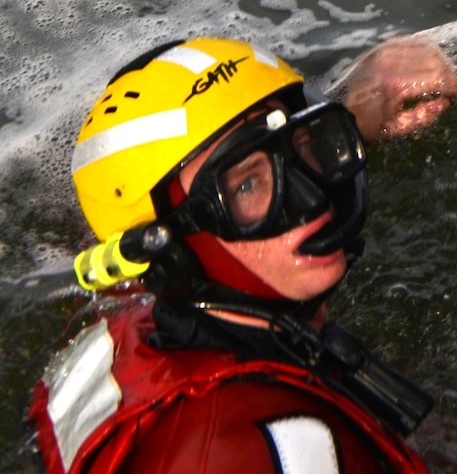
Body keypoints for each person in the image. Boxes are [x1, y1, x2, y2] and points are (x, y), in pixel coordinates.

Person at [29, 37, 433, 474]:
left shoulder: (134, 325)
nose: (311, 198)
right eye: (245, 186)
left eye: (302, 147)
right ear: (165, 245)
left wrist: (361, 105)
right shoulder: (270, 450)